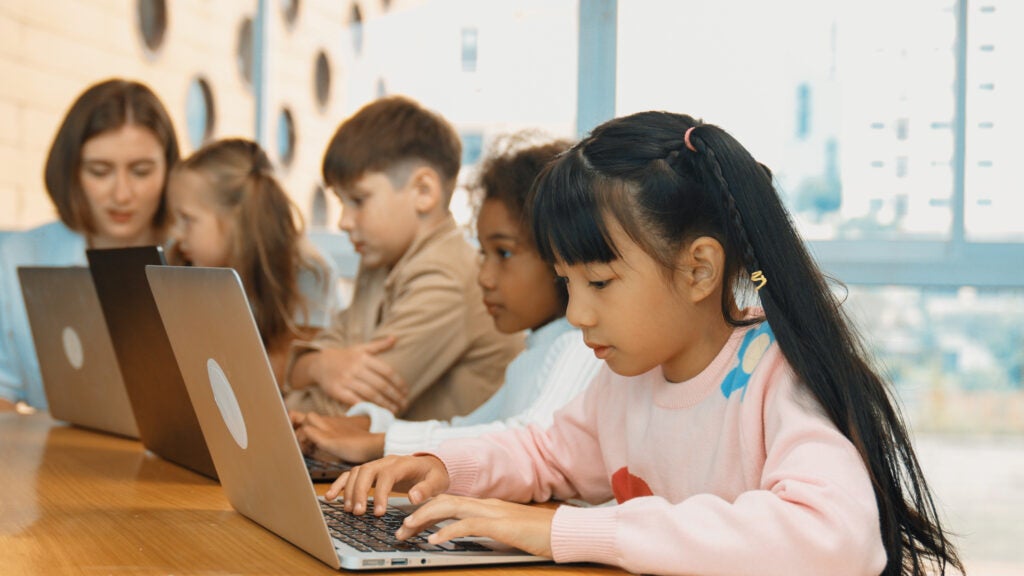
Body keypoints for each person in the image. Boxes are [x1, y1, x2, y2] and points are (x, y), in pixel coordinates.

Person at [327, 112, 966, 576]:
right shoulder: (630, 378)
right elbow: (547, 451)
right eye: (566, 282)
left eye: (600, 282)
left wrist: (565, 529)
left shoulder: (777, 375)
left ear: (697, 269)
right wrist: (446, 468)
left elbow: (836, 541)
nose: (576, 313)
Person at [291, 136, 601, 463]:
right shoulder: (535, 353)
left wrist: (381, 443)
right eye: (484, 253)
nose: (484, 276)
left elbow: (524, 438)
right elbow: (467, 428)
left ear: (562, 253)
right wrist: (363, 425)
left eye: (504, 253)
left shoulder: (578, 348)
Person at [284, 95, 523, 422]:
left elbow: (346, 415)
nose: (343, 221)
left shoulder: (446, 278)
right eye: (340, 202)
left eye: (358, 200)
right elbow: (318, 358)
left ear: (424, 191)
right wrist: (318, 365)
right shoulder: (381, 262)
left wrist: (303, 373)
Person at [0, 78, 180, 412]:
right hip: (58, 460)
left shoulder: (197, 257)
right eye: (100, 171)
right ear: (71, 171)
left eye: (141, 172)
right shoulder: (20, 256)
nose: (122, 195)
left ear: (170, 171)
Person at [165, 137, 339, 386]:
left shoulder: (310, 273)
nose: (176, 234)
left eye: (187, 219)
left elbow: (281, 376)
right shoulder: (186, 262)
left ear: (236, 222)